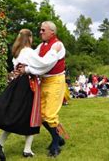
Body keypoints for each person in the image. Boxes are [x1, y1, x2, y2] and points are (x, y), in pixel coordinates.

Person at [0, 28, 63, 160]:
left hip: (18, 83)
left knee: (19, 115)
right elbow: (43, 63)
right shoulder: (29, 52)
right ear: (30, 38)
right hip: (28, 84)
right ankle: (22, 148)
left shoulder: (17, 52)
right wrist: (54, 51)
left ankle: (17, 147)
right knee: (32, 115)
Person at [36, 21, 68, 157]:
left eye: (43, 30)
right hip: (44, 81)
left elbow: (46, 63)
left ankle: (55, 144)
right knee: (41, 115)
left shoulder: (57, 45)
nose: (41, 32)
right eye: (40, 30)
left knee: (50, 114)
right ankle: (59, 138)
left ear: (52, 32)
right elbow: (32, 57)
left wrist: (29, 68)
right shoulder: (41, 45)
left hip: (55, 81)